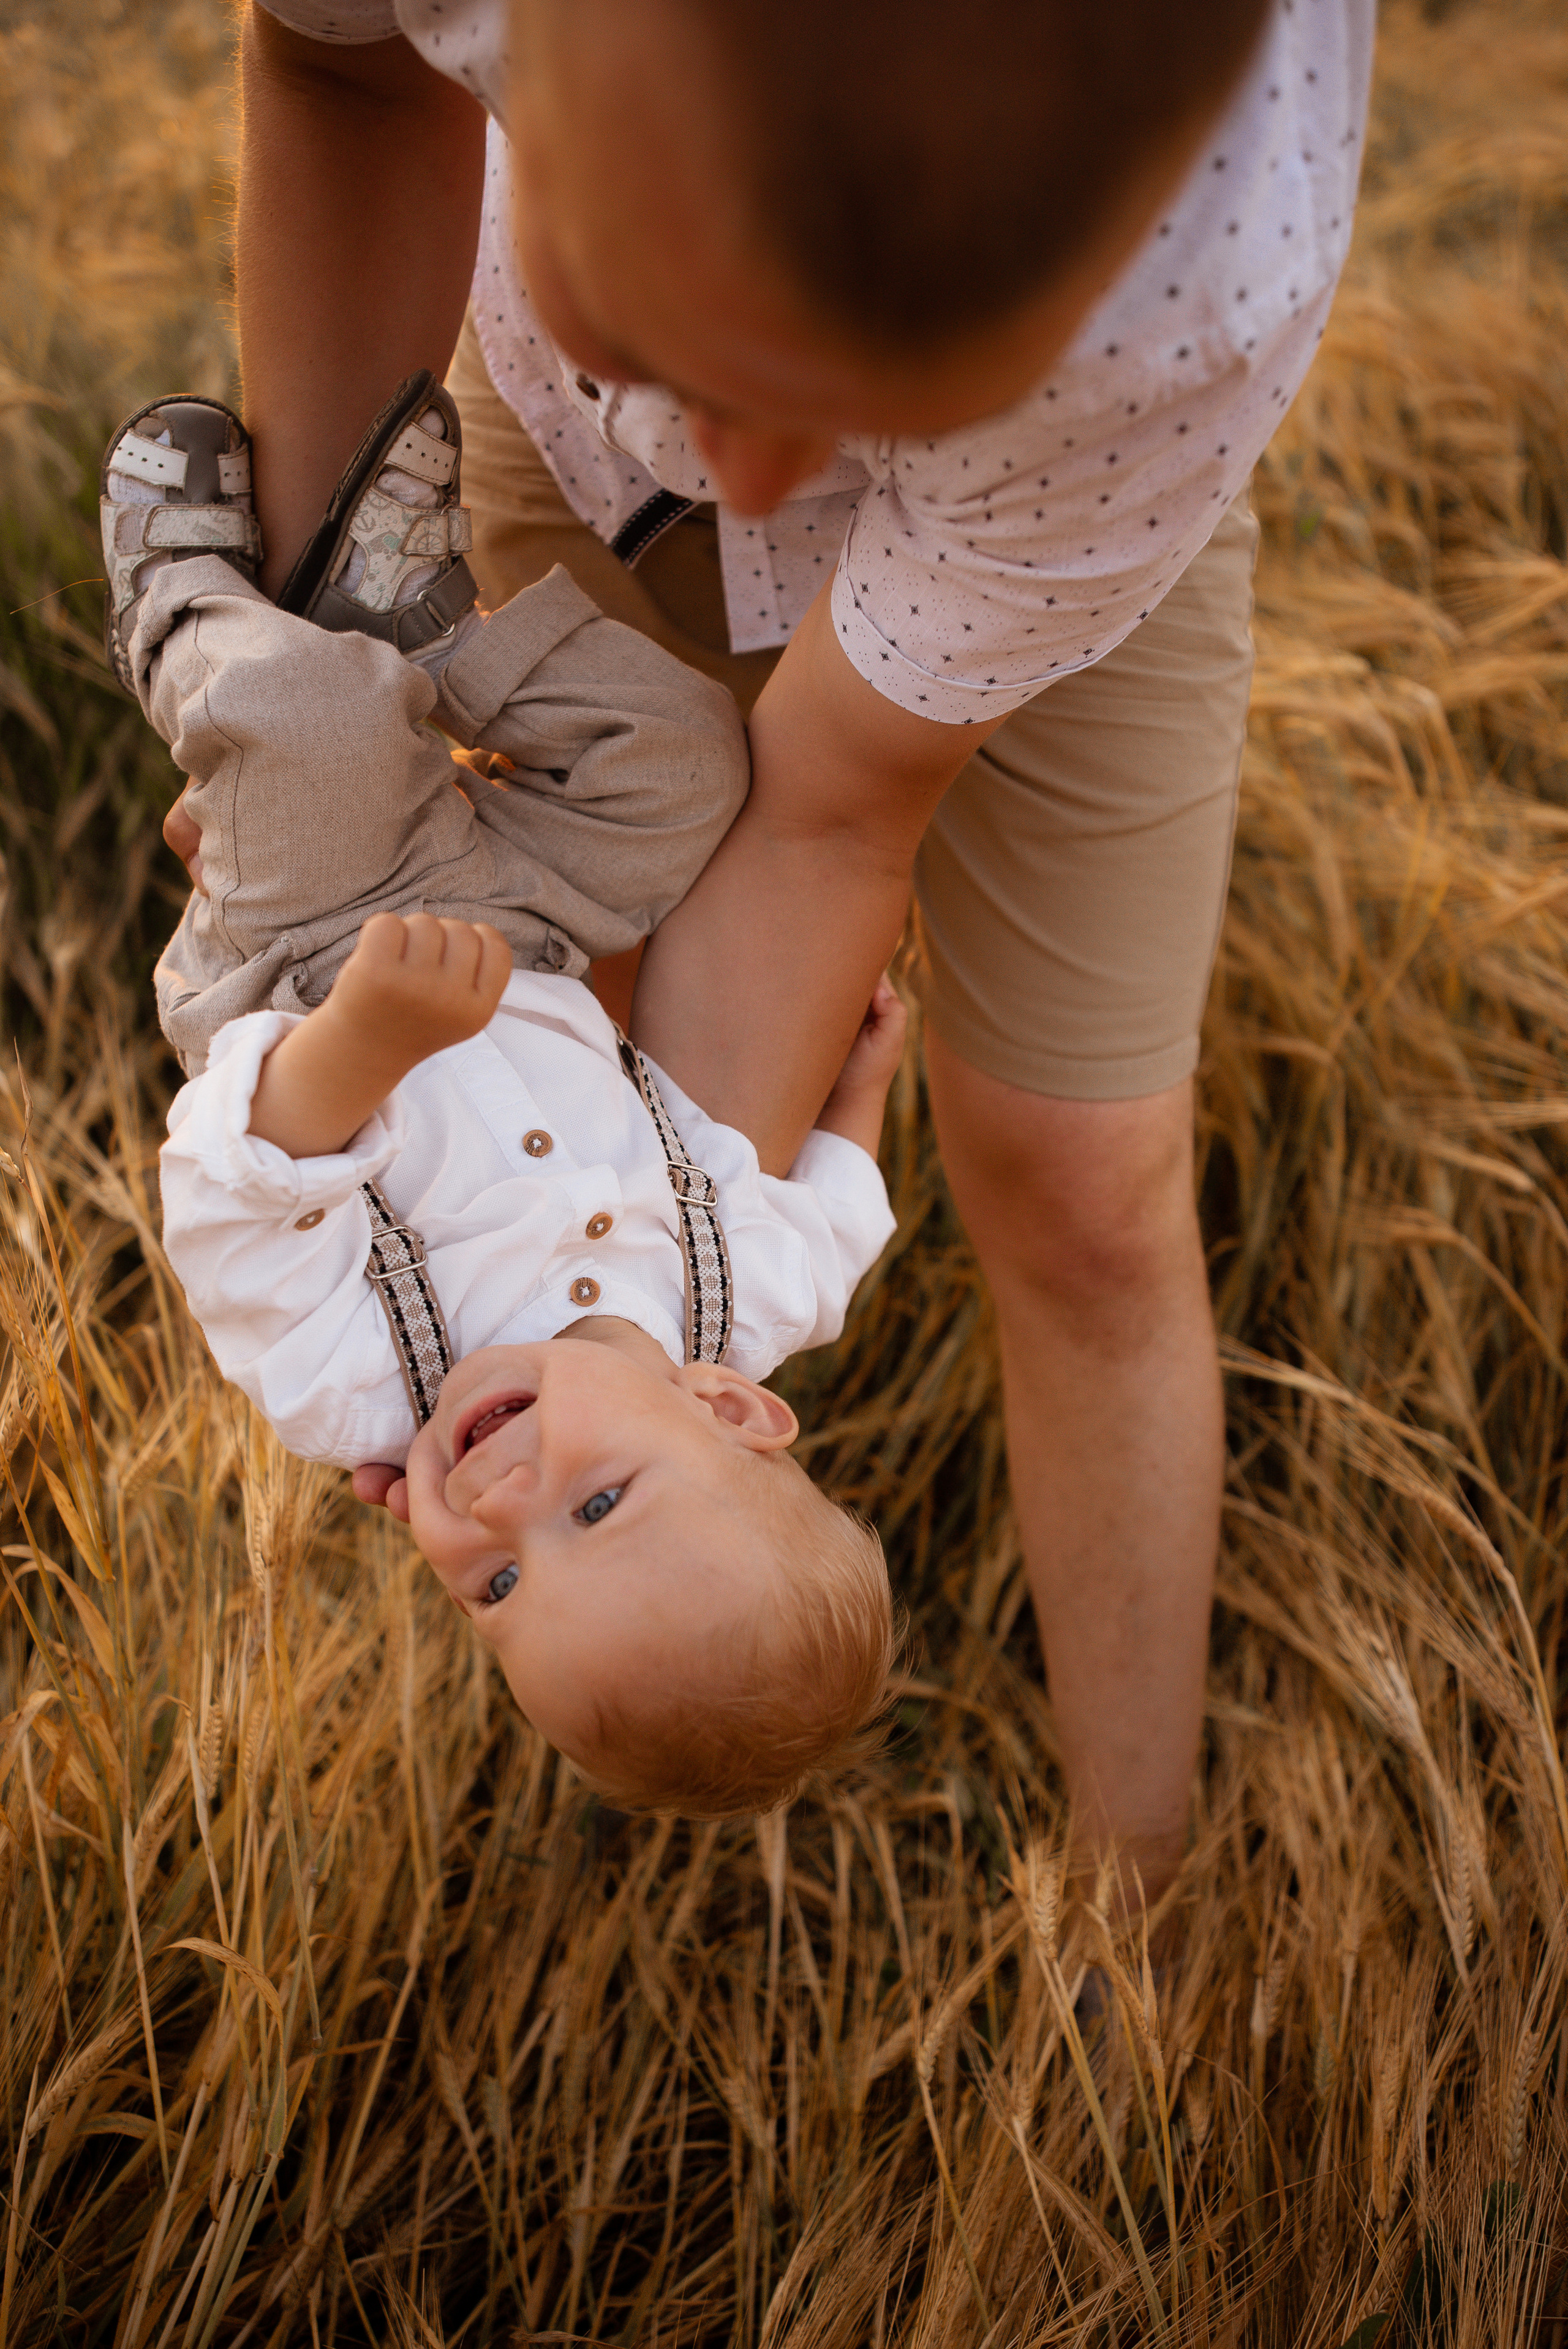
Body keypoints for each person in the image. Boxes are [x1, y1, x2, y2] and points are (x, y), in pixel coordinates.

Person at [199, 0, 1376, 1902]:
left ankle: (1136, 1899)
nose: (754, 487)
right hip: (562, 450)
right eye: (686, 338)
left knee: (1080, 1171)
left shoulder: (1181, 303)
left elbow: (830, 802)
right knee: (616, 965)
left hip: (1050, 502)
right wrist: (297, 714)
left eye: (857, 382)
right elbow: (334, 66)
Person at [111, 392, 902, 1816]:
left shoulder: (357, 1388)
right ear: (728, 1410)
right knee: (685, 759)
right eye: (595, 1507)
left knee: (310, 721)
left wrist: (361, 1042)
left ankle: (173, 601)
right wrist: (859, 1098)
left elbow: (227, 1201)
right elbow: (840, 1224)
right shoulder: (744, 1303)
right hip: (531, 922)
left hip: (307, 953)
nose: (496, 1503)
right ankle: (423, 617)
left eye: (493, 1586)